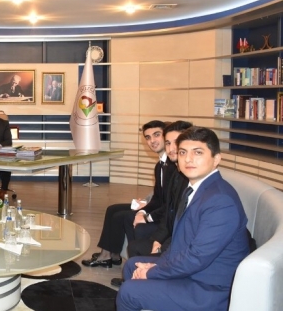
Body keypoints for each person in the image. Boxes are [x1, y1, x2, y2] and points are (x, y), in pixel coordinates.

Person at [116, 127, 250, 311]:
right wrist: (155, 266)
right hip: (195, 272)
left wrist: (153, 271)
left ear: (216, 159)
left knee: (128, 292)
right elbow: (181, 244)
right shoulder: (195, 190)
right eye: (183, 152)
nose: (188, 159)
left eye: (198, 152)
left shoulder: (220, 201)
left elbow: (197, 257)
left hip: (210, 288)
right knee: (132, 265)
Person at [112, 120, 192, 287]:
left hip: (179, 240)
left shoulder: (183, 174)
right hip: (168, 225)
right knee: (118, 213)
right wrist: (145, 214)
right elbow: (166, 205)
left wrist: (148, 218)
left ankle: (138, 276)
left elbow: (175, 214)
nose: (172, 148)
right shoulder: (171, 170)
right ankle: (130, 272)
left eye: (156, 135)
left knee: (132, 223)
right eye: (168, 143)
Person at [82, 120, 167, 268]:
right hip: (156, 206)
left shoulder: (172, 164)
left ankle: (113, 258)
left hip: (161, 213)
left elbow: (167, 201)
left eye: (156, 135)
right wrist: (145, 204)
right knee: (113, 209)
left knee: (123, 216)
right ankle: (111, 254)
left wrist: (144, 212)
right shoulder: (160, 165)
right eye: (148, 137)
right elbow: (158, 195)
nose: (152, 141)